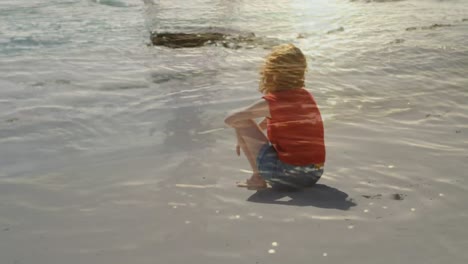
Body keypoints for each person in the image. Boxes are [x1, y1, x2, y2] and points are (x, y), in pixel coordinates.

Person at [224, 43, 326, 191]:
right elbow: (274, 119)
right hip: (314, 174)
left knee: (241, 120)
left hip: (288, 177)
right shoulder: (305, 96)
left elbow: (230, 119)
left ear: (272, 73)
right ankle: (259, 176)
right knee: (244, 120)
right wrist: (250, 135)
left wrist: (242, 137)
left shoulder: (273, 102)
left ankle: (257, 179)